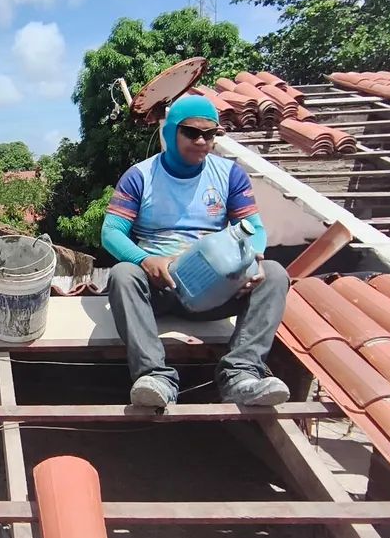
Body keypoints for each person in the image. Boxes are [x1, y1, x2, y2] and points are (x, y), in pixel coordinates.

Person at [102, 94, 290, 408]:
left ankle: (240, 375)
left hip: (219, 288)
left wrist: (253, 259)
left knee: (274, 273)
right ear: (171, 131)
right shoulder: (140, 177)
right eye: (191, 132)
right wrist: (145, 260)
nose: (201, 140)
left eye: (210, 133)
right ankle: (155, 376)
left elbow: (254, 229)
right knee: (123, 274)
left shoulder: (230, 175)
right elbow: (111, 232)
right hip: (160, 290)